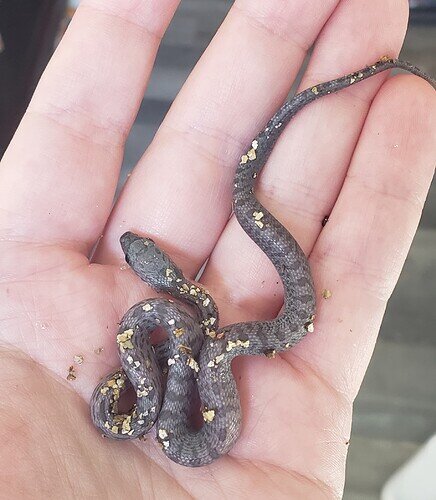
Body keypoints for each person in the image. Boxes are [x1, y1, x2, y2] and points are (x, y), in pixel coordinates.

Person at [0, 0, 434, 497]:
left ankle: (274, 159)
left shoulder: (174, 328)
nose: (134, 247)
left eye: (138, 252)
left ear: (159, 274)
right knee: (219, 341)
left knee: (221, 332)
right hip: (178, 396)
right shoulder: (178, 336)